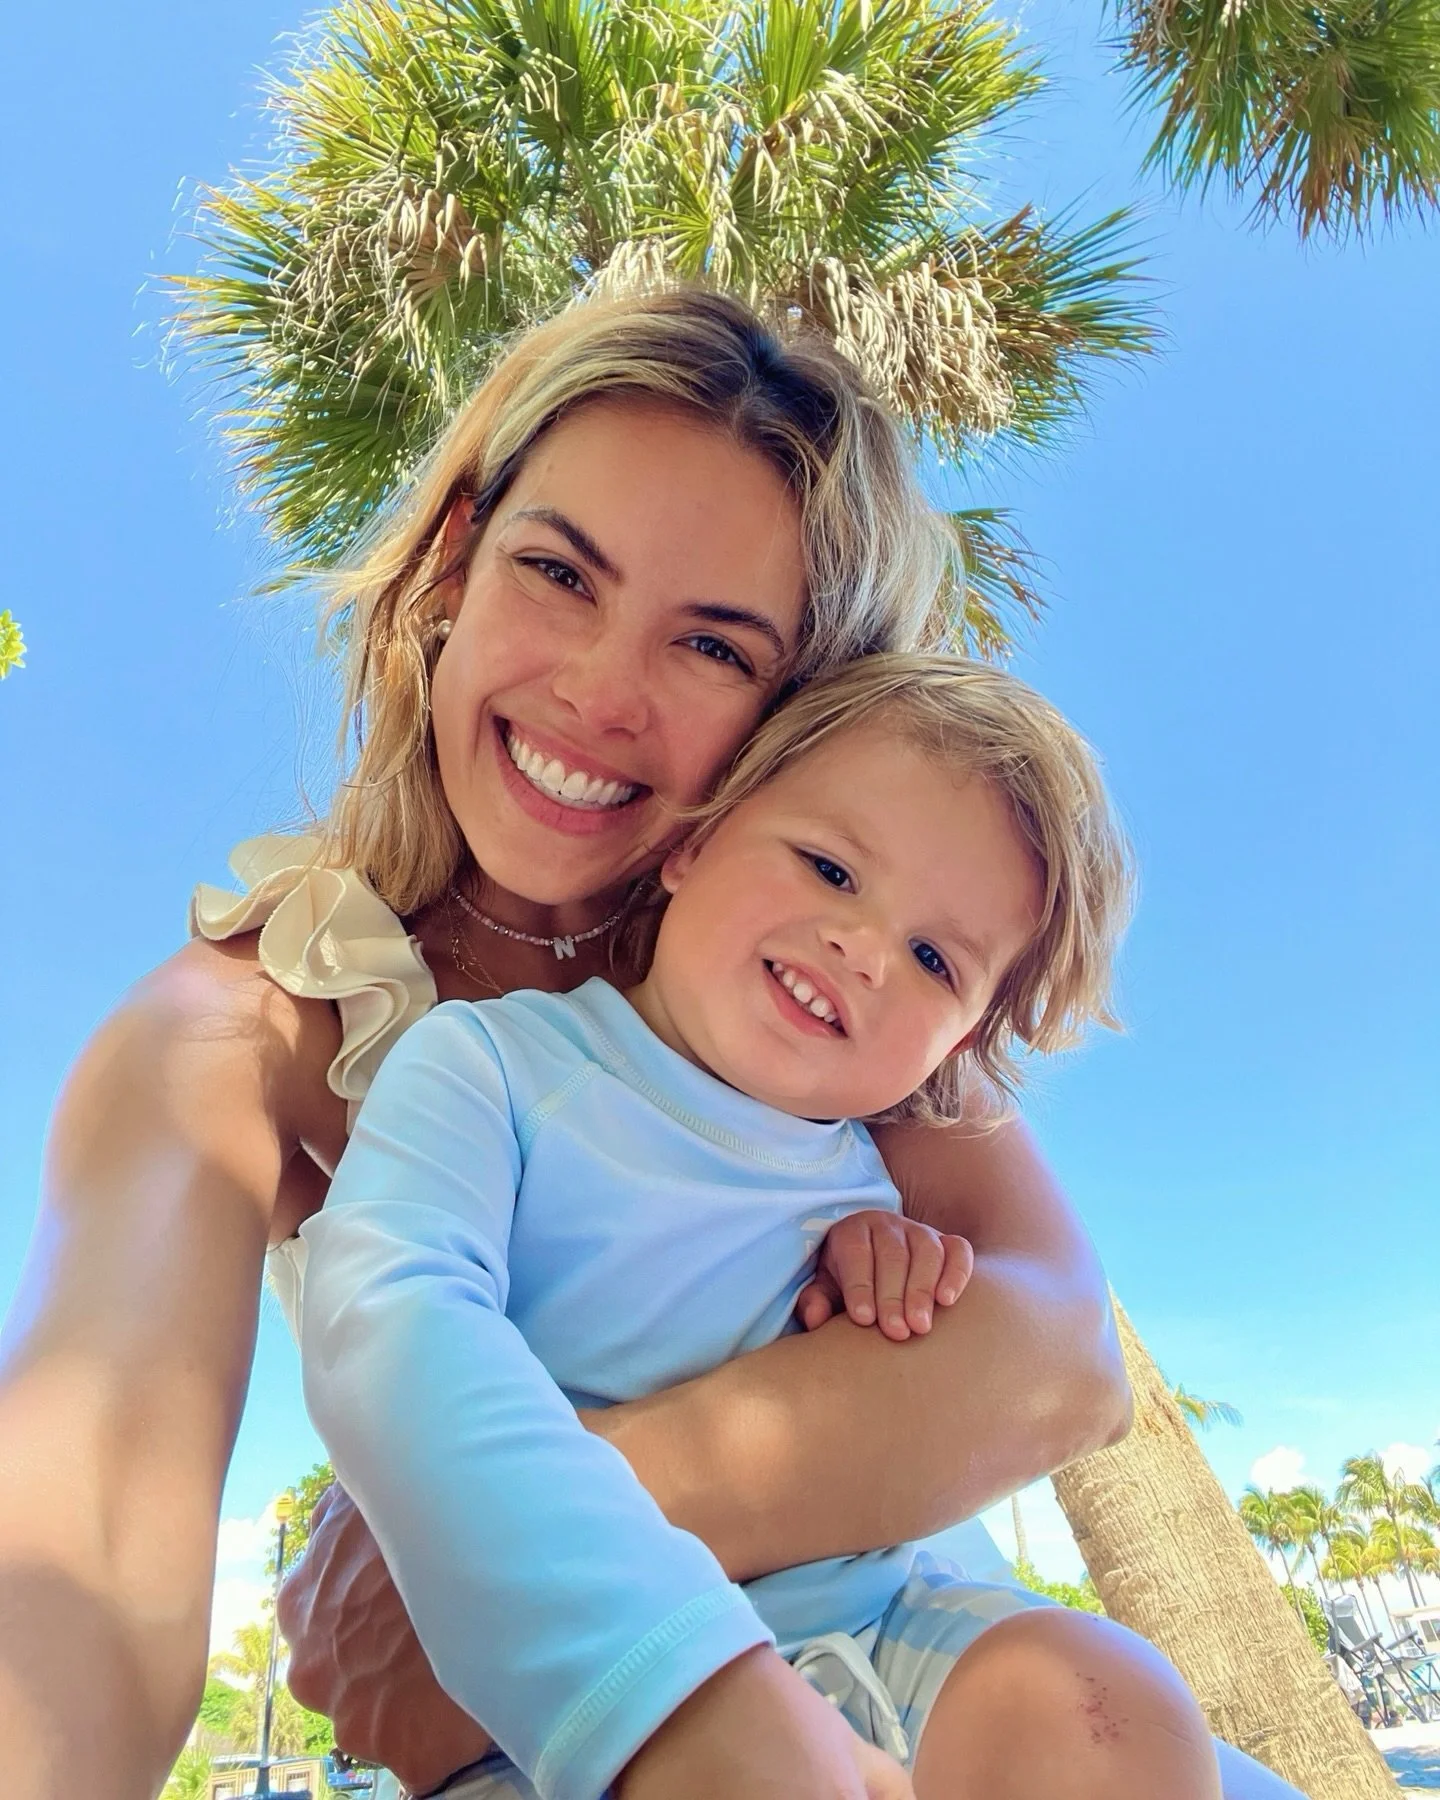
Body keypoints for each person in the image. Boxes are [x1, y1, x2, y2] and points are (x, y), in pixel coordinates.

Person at [0, 288, 1299, 1800]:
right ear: (454, 561)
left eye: (714, 646)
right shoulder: (251, 1022)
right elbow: (79, 1525)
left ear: (795, 710)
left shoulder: (810, 973)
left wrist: (486, 1564)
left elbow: (1056, 1359)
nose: (602, 694)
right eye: (559, 572)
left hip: (931, 1697)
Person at [299, 651, 1224, 1800]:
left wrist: (896, 1275)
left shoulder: (873, 1176)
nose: (867, 948)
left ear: (955, 1051)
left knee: (1104, 1698)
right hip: (571, 1683)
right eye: (832, 867)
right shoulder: (495, 1063)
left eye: (936, 959)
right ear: (693, 842)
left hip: (874, 1620)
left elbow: (915, 1389)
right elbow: (392, 1299)